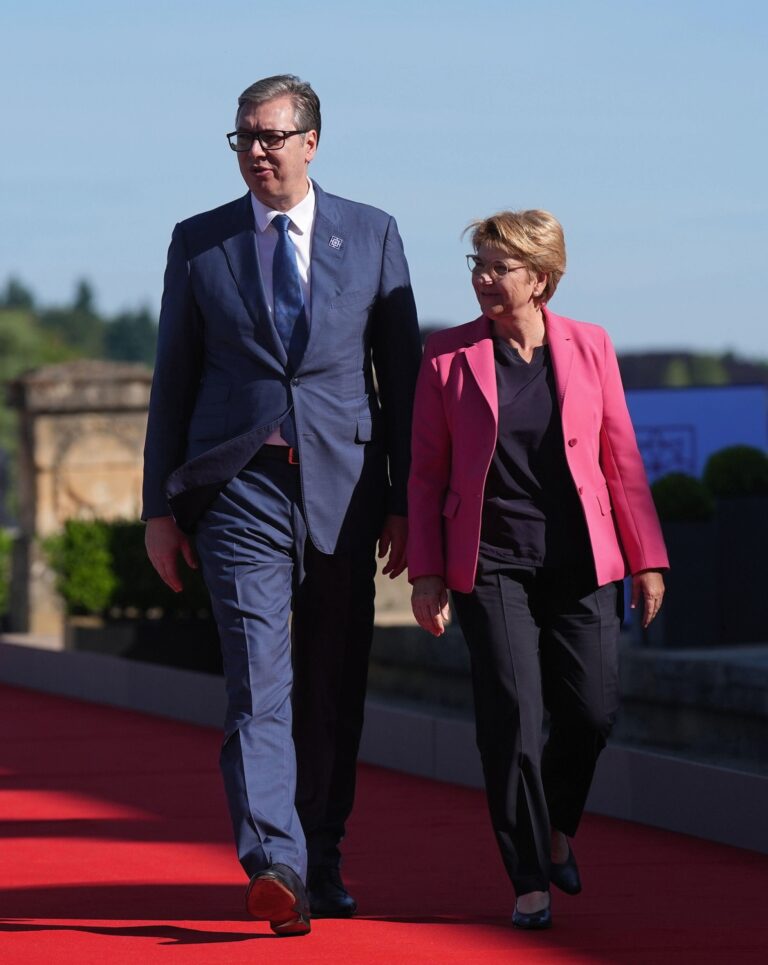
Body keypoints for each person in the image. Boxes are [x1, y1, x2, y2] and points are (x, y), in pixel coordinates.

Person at [142, 74, 421, 937]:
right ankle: (275, 861)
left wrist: (405, 502)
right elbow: (172, 378)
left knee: (332, 681)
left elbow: (402, 380)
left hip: (346, 487)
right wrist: (158, 508)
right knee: (258, 681)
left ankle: (322, 855)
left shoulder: (372, 234)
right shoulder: (200, 242)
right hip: (239, 489)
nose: (256, 152)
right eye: (244, 138)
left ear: (311, 141)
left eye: (270, 136)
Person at [407, 210, 667, 930]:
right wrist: (427, 573)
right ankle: (528, 878)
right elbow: (425, 474)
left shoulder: (592, 345)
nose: (484, 279)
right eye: (478, 266)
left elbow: (620, 455)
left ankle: (555, 827)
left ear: (541, 278)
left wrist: (647, 559)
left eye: (500, 267)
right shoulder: (447, 355)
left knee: (592, 712)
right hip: (491, 563)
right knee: (513, 718)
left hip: (582, 561)